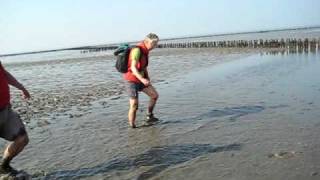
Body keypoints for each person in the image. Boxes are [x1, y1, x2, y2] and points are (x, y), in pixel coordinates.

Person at [0, 61, 30, 175]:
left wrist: (21, 87)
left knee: (22, 139)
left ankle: (4, 166)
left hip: (5, 110)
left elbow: (4, 73)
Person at [124, 33, 160, 128]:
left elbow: (143, 66)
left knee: (154, 95)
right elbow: (133, 68)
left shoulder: (146, 51)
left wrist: (147, 77)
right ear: (146, 42)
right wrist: (142, 79)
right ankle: (132, 126)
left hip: (142, 79)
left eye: (156, 44)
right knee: (134, 105)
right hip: (131, 80)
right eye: (153, 44)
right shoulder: (137, 50)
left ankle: (150, 116)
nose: (155, 46)